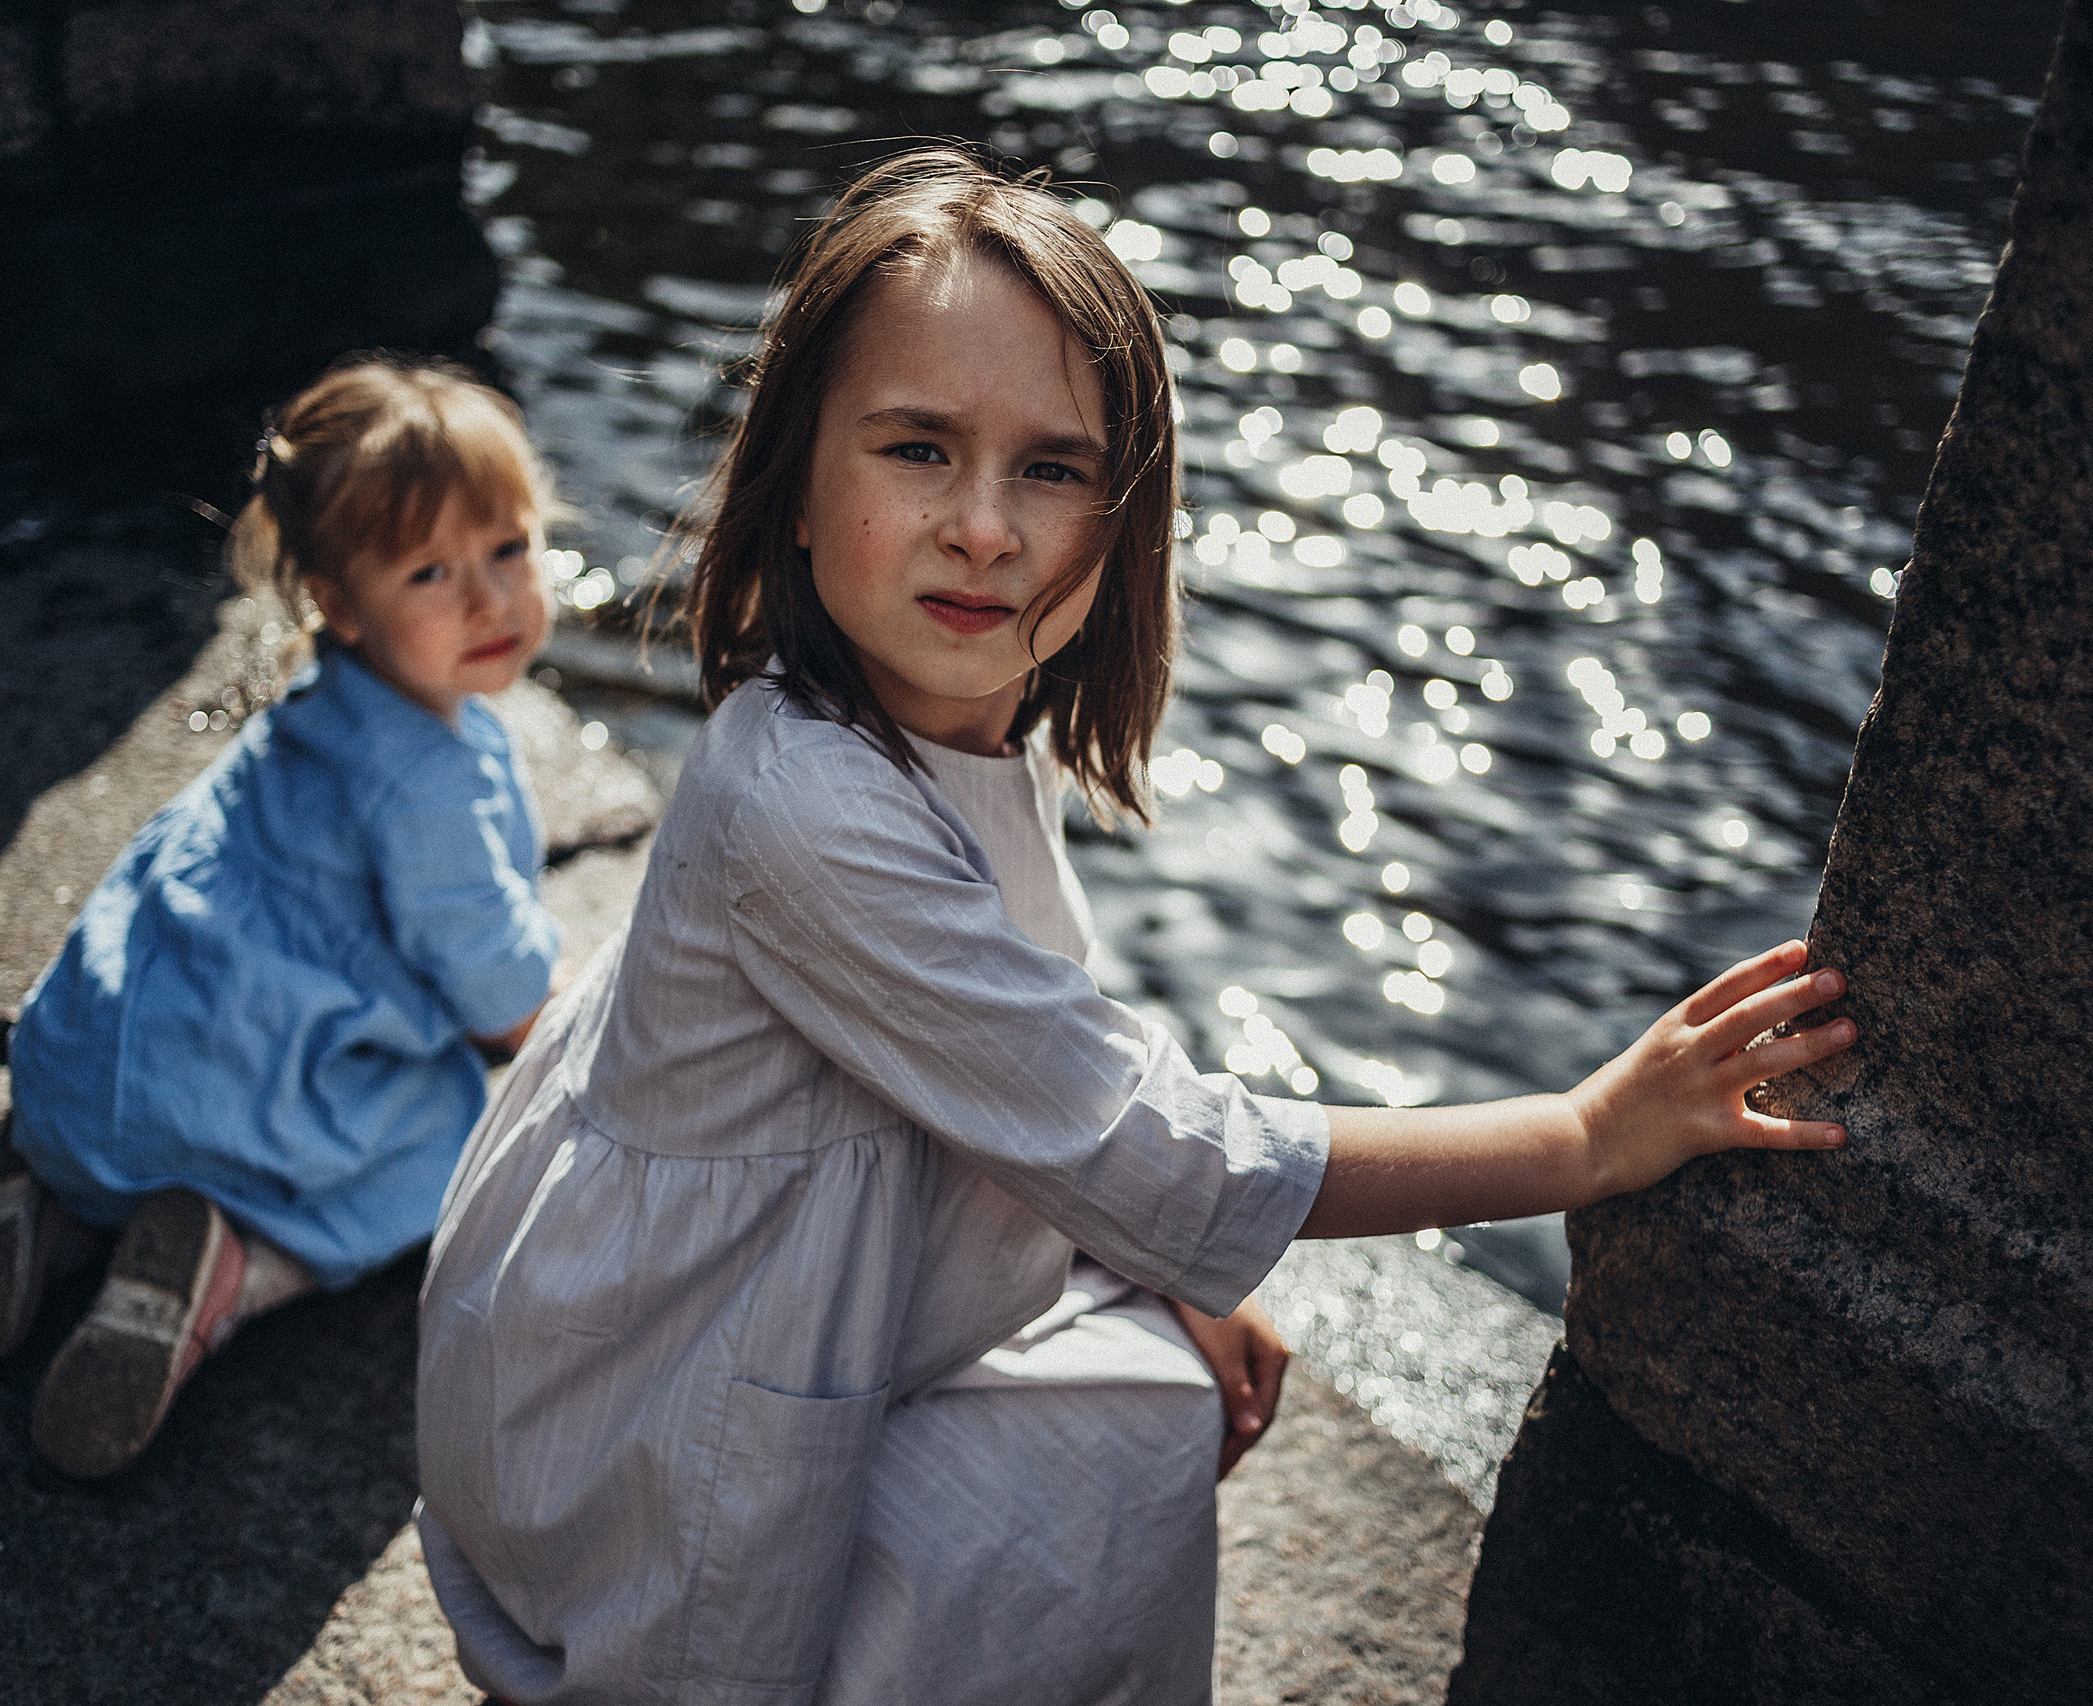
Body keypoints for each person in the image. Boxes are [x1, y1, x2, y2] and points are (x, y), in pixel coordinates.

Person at [412, 149, 1856, 1705]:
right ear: (797, 489)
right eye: (916, 448)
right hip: (650, 1418)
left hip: (728, 1309)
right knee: (1130, 1430)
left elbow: (1023, 1072)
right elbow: (1154, 1142)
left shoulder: (958, 730)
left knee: (1152, 1381)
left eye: (1052, 467)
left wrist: (1168, 1262)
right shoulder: (802, 801)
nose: (984, 526)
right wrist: (1580, 1136)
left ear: (1128, 519)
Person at [0, 356, 566, 1481]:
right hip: (216, 1130)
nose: (490, 599)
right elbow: (498, 995)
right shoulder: (429, 785)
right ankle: (233, 1270)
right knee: (449, 1137)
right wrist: (545, 1010)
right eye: (431, 572)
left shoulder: (318, 707)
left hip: (81, 1074)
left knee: (150, 1081)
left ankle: (48, 1195)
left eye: (508, 549)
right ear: (336, 599)